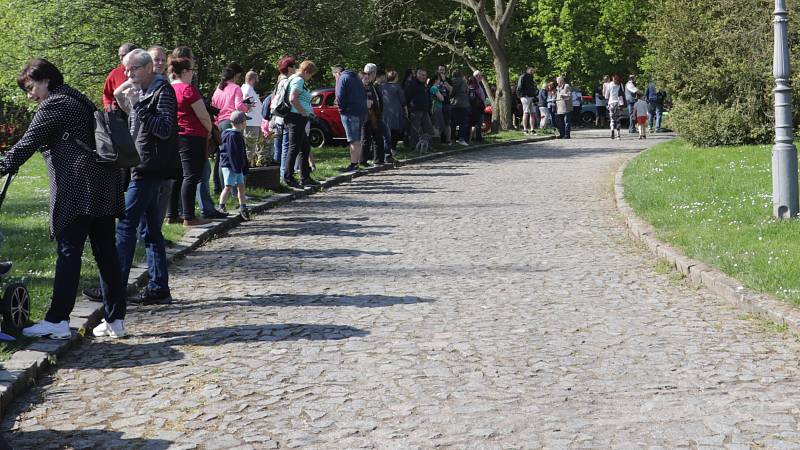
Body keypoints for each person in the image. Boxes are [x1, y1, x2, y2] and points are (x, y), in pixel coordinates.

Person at [0, 59, 126, 339]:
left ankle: (57, 320)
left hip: (80, 186)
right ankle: (116, 320)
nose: (30, 95)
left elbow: (28, 142)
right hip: (104, 183)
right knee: (106, 252)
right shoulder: (76, 97)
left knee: (69, 251)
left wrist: (2, 165)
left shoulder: (55, 103)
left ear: (45, 80)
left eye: (31, 88)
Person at [87, 49, 179, 307]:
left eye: (133, 69)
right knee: (151, 232)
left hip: (151, 169)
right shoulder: (145, 91)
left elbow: (162, 129)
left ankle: (113, 287)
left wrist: (138, 103)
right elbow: (128, 113)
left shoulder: (163, 92)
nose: (127, 74)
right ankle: (159, 288)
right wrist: (126, 94)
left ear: (149, 68)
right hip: (141, 165)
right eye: (126, 70)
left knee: (126, 227)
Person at [168, 54, 213, 227]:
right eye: (192, 70)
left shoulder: (169, 88)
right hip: (192, 135)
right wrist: (209, 130)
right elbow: (203, 115)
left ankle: (171, 214)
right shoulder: (188, 90)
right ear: (185, 71)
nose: (193, 74)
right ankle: (189, 216)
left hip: (176, 136)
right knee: (191, 176)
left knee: (177, 175)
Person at [211, 62, 247, 194]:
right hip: (230, 123)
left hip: (219, 123)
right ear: (234, 76)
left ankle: (217, 187)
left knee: (221, 156)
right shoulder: (236, 88)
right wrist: (247, 107)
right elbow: (238, 106)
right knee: (233, 157)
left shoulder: (218, 89)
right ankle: (231, 190)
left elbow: (213, 106)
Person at [284, 60, 319, 187]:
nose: (310, 77)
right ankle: (288, 178)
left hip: (297, 117)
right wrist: (303, 112)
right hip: (296, 117)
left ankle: (305, 177)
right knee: (294, 148)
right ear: (305, 71)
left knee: (305, 148)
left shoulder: (295, 78)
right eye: (310, 74)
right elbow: (292, 98)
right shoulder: (298, 80)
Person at [333, 64, 368, 172]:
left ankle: (353, 164)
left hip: (349, 112)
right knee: (358, 138)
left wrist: (341, 109)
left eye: (334, 76)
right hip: (361, 111)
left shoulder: (342, 78)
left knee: (353, 139)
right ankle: (357, 162)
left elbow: (339, 96)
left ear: (337, 73)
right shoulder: (356, 77)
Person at [218, 111, 251, 220]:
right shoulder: (233, 135)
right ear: (241, 123)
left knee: (241, 186)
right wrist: (237, 168)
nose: (246, 123)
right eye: (245, 121)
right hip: (230, 166)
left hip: (237, 166)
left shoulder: (236, 134)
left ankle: (243, 206)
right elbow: (232, 153)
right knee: (228, 186)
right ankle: (221, 205)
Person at [269, 56, 296, 179]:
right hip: (285, 116)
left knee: (278, 148)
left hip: (277, 117)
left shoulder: (279, 81)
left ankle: (276, 175)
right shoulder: (288, 82)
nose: (295, 68)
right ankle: (283, 175)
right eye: (294, 66)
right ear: (290, 68)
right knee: (285, 147)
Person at [404, 68, 435, 150]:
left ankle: (428, 146)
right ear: (417, 74)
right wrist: (408, 109)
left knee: (428, 129)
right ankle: (414, 147)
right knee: (415, 130)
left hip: (425, 110)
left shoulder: (424, 85)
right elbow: (406, 97)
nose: (424, 77)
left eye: (425, 75)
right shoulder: (411, 84)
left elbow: (427, 96)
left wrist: (430, 106)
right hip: (415, 110)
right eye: (422, 75)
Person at [361, 63, 385, 165]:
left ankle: (378, 159)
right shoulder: (364, 84)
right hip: (368, 115)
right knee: (366, 138)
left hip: (375, 114)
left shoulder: (372, 84)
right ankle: (363, 161)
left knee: (377, 138)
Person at [103, 42, 137, 113]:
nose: (121, 58)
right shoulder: (115, 73)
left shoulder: (144, 70)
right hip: (121, 116)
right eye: (120, 56)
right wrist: (108, 107)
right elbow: (107, 94)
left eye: (124, 55)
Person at [241, 70, 263, 154]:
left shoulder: (246, 88)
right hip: (251, 122)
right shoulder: (247, 90)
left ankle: (248, 164)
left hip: (253, 121)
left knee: (251, 147)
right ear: (252, 79)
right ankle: (247, 166)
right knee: (250, 148)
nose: (255, 82)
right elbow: (247, 106)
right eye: (255, 80)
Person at [449, 70, 470, 146]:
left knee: (453, 123)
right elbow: (467, 91)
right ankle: (461, 139)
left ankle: (452, 139)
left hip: (454, 104)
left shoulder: (451, 81)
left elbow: (450, 93)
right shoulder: (464, 82)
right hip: (464, 104)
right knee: (463, 123)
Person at [604, 74, 626, 140]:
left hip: (611, 103)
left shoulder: (609, 85)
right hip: (619, 103)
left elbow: (606, 96)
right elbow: (623, 94)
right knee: (618, 119)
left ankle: (612, 129)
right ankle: (618, 135)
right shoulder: (620, 85)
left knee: (612, 118)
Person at [517, 66, 538, 134]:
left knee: (532, 113)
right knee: (526, 112)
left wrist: (534, 96)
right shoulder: (523, 76)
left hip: (531, 96)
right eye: (531, 70)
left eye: (533, 70)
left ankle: (532, 129)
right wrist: (522, 95)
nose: (533, 72)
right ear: (528, 70)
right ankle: (525, 129)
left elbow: (532, 88)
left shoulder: (531, 77)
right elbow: (519, 87)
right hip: (525, 96)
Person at [467, 75, 485, 143]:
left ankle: (468, 139)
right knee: (478, 124)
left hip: (469, 108)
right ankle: (478, 139)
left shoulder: (467, 88)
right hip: (477, 108)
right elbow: (483, 97)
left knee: (469, 124)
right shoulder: (478, 88)